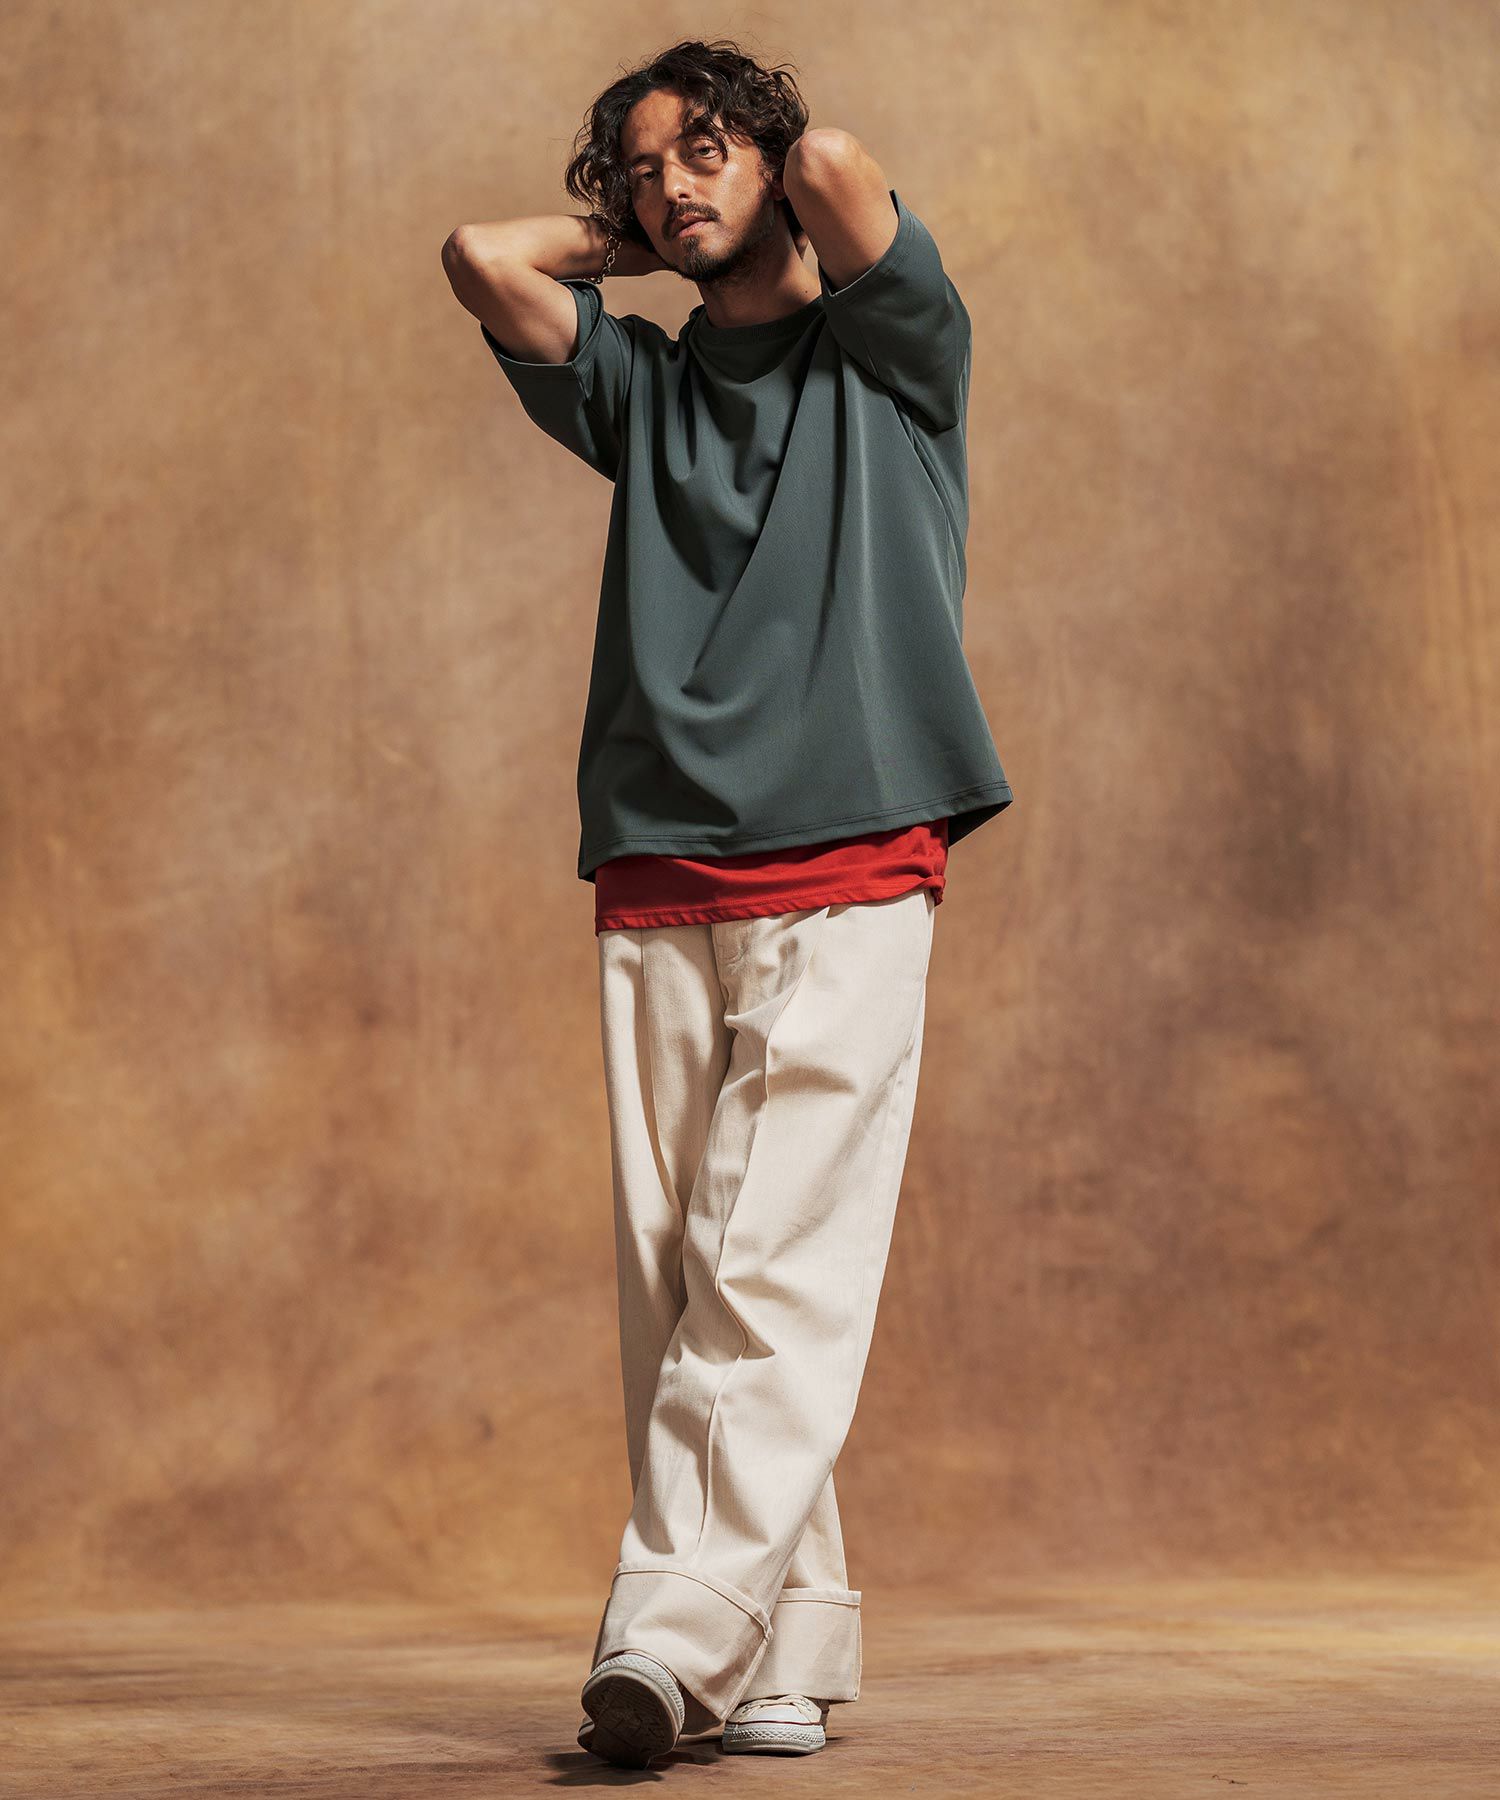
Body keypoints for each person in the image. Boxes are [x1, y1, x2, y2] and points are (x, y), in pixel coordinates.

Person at [442, 36, 1014, 1769]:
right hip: (656, 863)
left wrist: (742, 176)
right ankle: (779, 1647)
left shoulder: (895, 352)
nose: (669, 183)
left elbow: (836, 165)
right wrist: (643, 232)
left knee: (772, 1266)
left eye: (702, 150)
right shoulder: (643, 389)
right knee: (685, 1278)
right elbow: (482, 256)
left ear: (766, 155)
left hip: (850, 857)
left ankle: (671, 1629)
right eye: (639, 168)